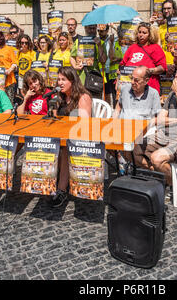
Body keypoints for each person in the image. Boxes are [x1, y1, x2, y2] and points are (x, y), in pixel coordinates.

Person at [133, 59, 177, 186]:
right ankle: (167, 179)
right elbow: (161, 119)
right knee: (135, 149)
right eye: (176, 72)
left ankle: (174, 186)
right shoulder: (172, 94)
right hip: (164, 135)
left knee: (156, 158)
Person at [51, 66, 93, 207]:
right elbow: (55, 119)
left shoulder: (83, 97)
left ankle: (61, 189)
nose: (60, 83)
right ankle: (44, 182)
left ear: (72, 81)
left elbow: (83, 123)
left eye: (63, 80)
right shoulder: (59, 97)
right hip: (62, 135)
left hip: (80, 138)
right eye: (58, 80)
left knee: (64, 149)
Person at [120, 22, 167, 94]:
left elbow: (162, 67)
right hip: (131, 88)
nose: (141, 35)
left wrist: (148, 71)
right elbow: (122, 65)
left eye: (144, 33)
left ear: (150, 35)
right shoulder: (132, 47)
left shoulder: (155, 48)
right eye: (139, 32)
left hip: (149, 88)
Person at [97, 24, 123, 106]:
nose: (100, 33)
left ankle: (115, 110)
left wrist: (114, 27)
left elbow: (122, 36)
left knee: (115, 93)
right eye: (98, 31)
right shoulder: (97, 40)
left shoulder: (114, 40)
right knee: (106, 93)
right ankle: (107, 109)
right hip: (102, 71)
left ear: (107, 30)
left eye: (102, 31)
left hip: (112, 71)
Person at [151, 0, 177, 76]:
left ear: (174, 10)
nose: (166, 11)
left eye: (169, 8)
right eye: (164, 9)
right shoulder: (161, 26)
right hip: (163, 64)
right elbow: (157, 45)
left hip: (176, 63)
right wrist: (152, 24)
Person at [0, 30, 18, 103]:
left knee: (9, 102)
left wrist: (10, 70)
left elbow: (14, 63)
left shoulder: (9, 49)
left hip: (8, 80)